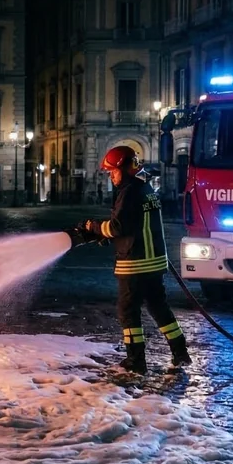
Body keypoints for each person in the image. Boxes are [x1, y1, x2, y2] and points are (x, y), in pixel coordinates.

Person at [78, 146, 191, 374]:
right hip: (154, 261)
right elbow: (136, 225)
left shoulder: (128, 191)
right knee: (159, 307)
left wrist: (95, 227)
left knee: (128, 310)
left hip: (135, 262)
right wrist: (106, 236)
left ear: (123, 167)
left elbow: (119, 226)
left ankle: (135, 360)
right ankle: (180, 352)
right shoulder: (146, 188)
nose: (111, 176)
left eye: (112, 171)